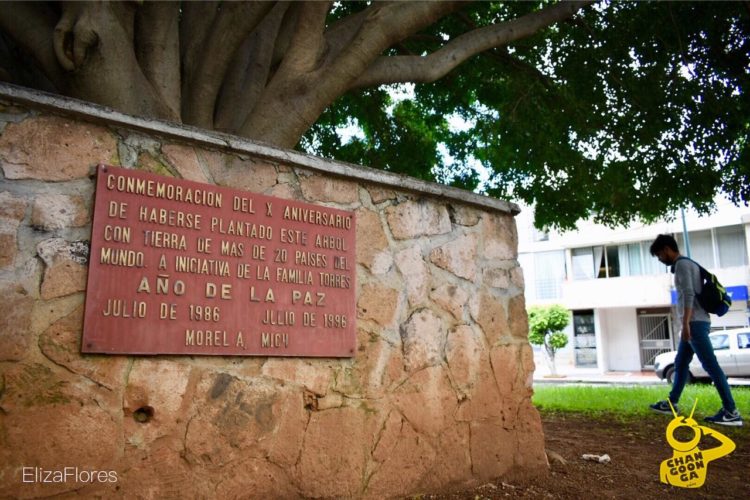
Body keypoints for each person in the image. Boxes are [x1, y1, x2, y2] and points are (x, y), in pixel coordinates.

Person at [648, 234, 742, 427]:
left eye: (659, 255)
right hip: (694, 323)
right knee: (681, 363)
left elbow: (689, 294)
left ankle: (731, 412)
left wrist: (686, 325)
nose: (659, 259)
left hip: (694, 324)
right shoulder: (688, 264)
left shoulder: (682, 265)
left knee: (711, 366)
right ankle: (672, 403)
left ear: (667, 249)